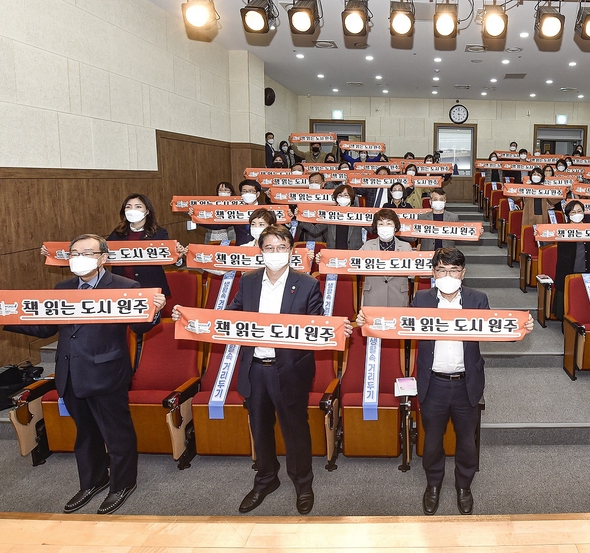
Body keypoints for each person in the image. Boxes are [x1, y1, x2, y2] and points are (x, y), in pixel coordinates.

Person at [0, 234, 166, 514]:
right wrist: (0, 315)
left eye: (86, 252)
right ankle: (93, 480)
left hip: (106, 372)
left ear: (103, 257)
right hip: (70, 372)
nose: (78, 258)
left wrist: (155, 312)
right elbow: (44, 327)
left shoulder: (126, 286)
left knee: (116, 433)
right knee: (85, 434)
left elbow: (138, 328)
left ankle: (122, 483)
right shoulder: (62, 287)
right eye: (73, 253)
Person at [174, 225, 351, 514]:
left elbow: (317, 325)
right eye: (269, 248)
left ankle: (303, 482)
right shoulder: (249, 281)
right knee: (260, 427)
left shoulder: (306, 284)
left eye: (282, 248)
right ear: (261, 252)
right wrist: (194, 318)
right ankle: (266, 479)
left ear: (292, 252)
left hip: (291, 370)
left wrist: (337, 328)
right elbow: (231, 313)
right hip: (255, 368)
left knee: (295, 429)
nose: (275, 253)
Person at [360, 248, 532, 515]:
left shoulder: (477, 299)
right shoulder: (422, 298)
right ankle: (433, 485)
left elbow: (495, 331)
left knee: (466, 440)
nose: (448, 275)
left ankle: (464, 486)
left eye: (453, 270)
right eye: (442, 270)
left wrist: (520, 328)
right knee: (432, 440)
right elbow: (399, 325)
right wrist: (368, 320)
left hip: (466, 383)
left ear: (462, 273)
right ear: (433, 273)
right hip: (434, 382)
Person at [106, 193, 174, 298]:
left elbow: (171, 256)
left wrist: (178, 256)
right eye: (128, 207)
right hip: (122, 288)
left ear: (147, 211)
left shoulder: (159, 233)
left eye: (138, 207)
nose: (133, 210)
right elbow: (104, 253)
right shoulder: (117, 233)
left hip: (150, 287)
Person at [552, 200, 590, 319]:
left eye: (579, 211)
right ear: (568, 215)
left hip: (586, 268)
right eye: (573, 212)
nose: (577, 214)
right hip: (567, 270)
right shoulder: (562, 229)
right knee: (566, 305)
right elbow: (545, 236)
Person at [358, 209, 412, 307]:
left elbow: (414, 271)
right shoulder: (367, 246)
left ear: (395, 227)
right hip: (373, 295)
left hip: (398, 296)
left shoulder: (406, 247)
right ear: (376, 227)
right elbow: (352, 263)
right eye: (381, 224)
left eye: (389, 223)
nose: (385, 227)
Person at [299, 184, 364, 250]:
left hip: (353, 253)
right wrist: (300, 217)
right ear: (336, 198)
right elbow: (315, 230)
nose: (342, 198)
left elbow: (372, 229)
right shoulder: (330, 213)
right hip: (332, 252)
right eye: (340, 195)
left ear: (351, 197)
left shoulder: (358, 213)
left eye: (346, 195)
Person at [236, 180, 264, 245]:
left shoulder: (265, 209)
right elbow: (218, 225)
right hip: (241, 248)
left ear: (257, 194)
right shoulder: (236, 210)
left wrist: (287, 217)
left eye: (251, 191)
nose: (247, 193)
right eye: (244, 191)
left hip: (261, 246)